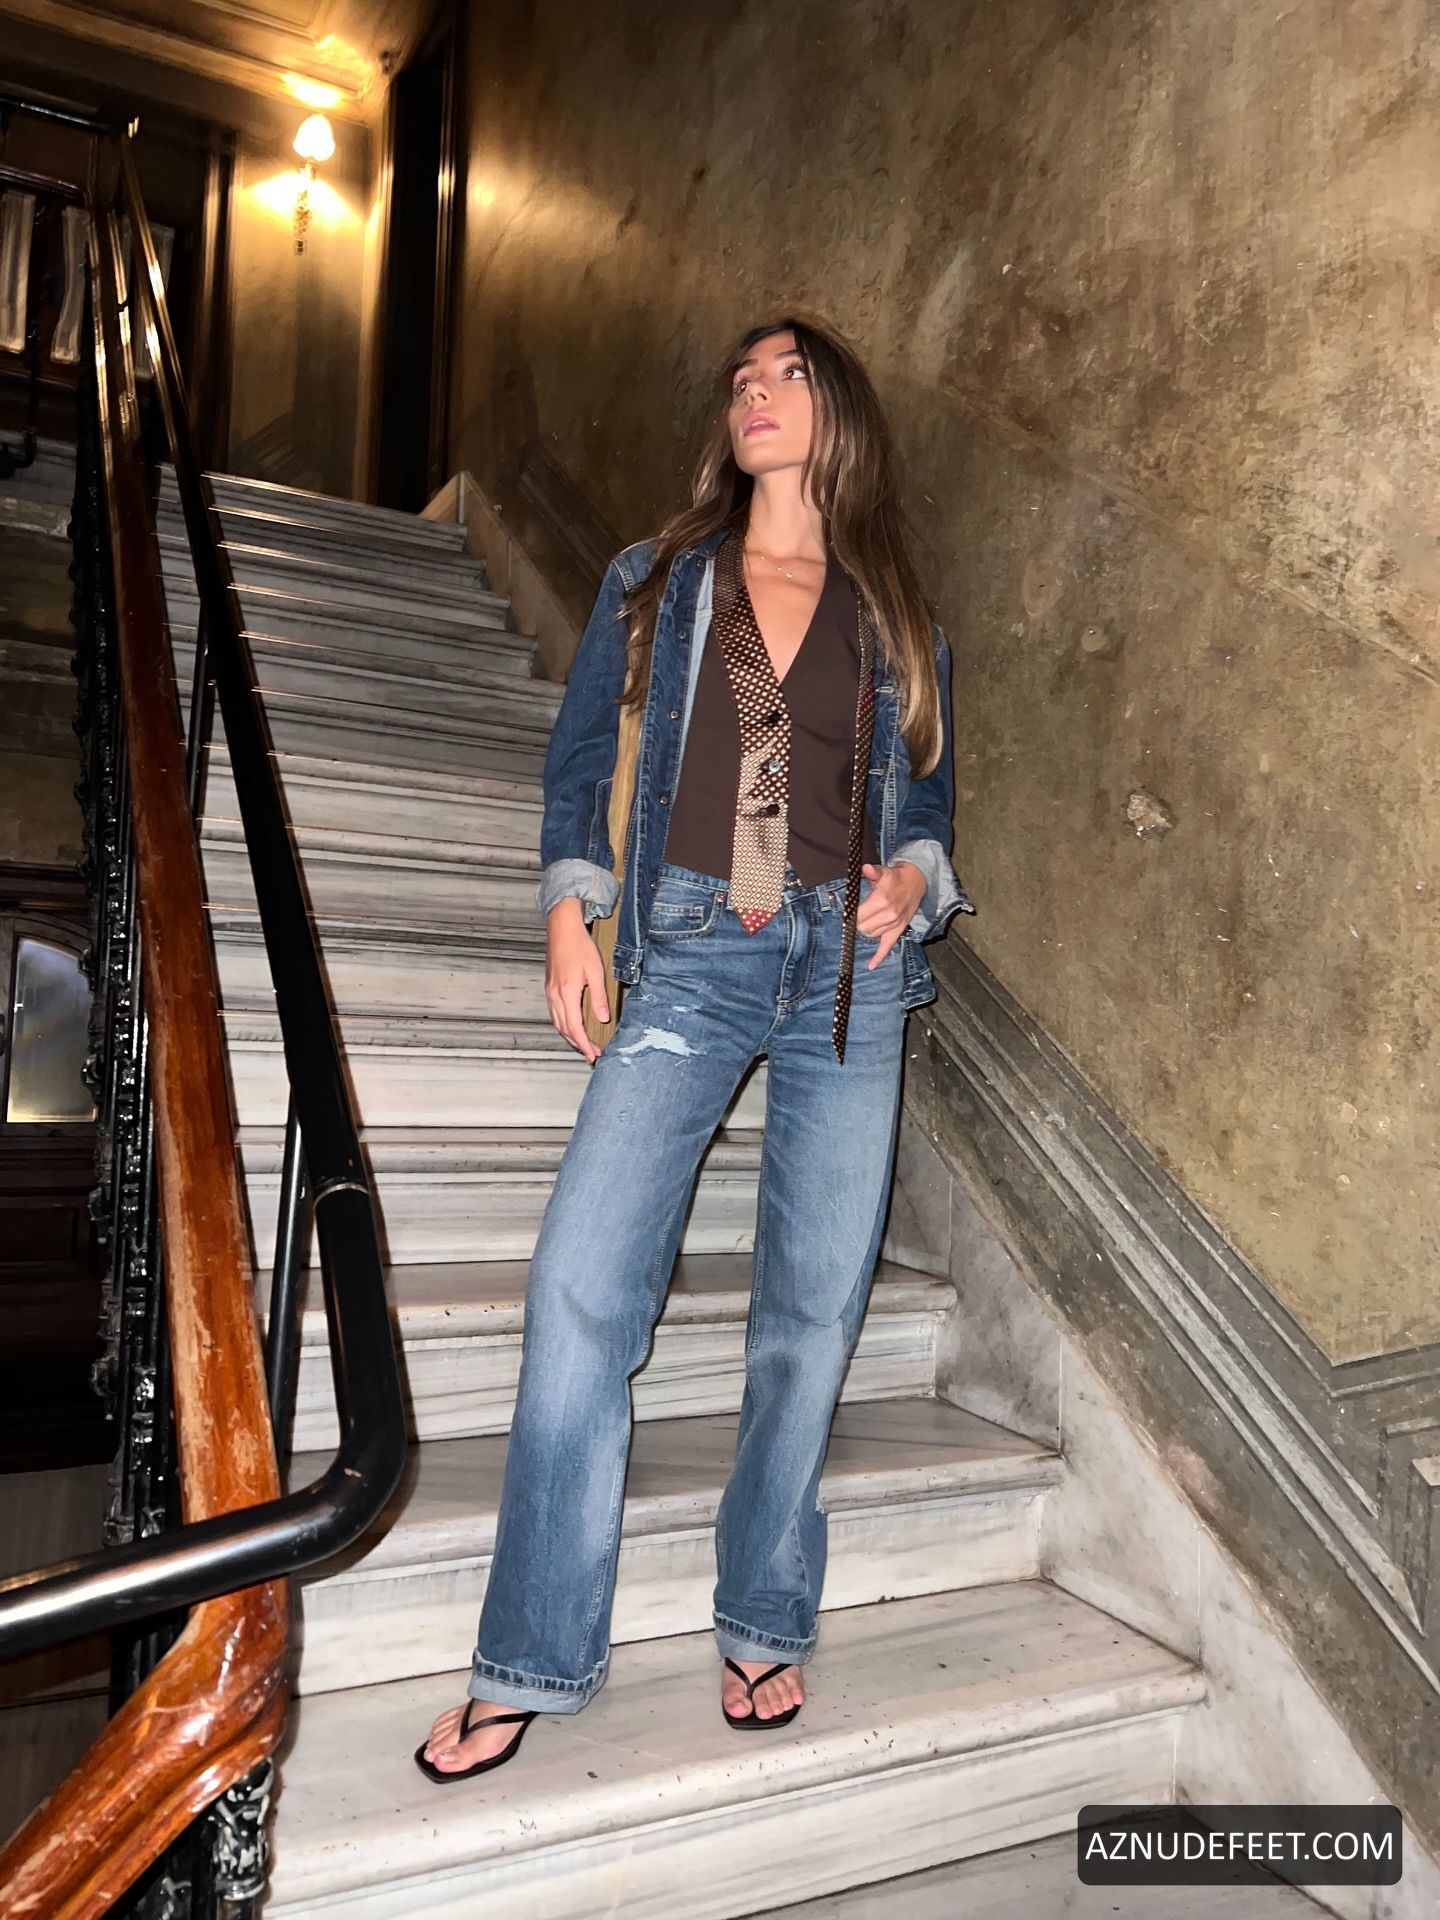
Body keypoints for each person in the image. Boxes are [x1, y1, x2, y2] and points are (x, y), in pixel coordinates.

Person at [416, 312, 976, 1782]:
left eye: (788, 373)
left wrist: (915, 879)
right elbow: (580, 761)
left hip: (849, 973)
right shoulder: (659, 577)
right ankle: (531, 1649)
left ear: (838, 410)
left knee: (813, 1307)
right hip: (695, 945)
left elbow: (927, 804)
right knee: (579, 1286)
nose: (756, 393)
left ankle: (763, 1607)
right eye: (742, 379)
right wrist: (570, 908)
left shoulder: (897, 611)